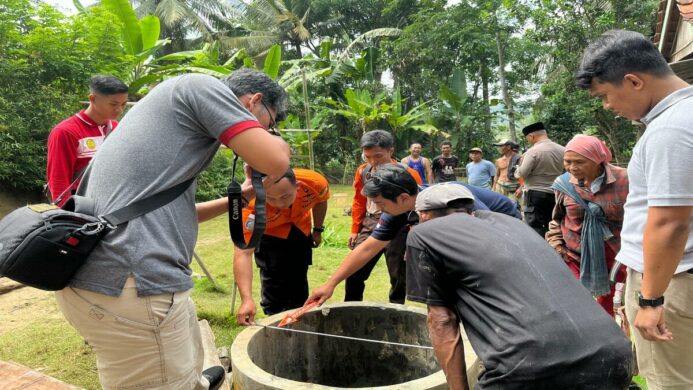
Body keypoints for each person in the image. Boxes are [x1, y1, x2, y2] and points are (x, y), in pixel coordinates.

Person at [54, 69, 290, 390]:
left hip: (108, 282)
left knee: (179, 373)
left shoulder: (171, 129)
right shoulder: (199, 86)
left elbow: (177, 214)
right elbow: (276, 161)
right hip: (134, 285)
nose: (266, 130)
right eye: (270, 122)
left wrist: (243, 195)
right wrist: (275, 143)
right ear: (255, 101)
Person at [406, 184, 633, 389]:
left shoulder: (424, 233)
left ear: (424, 215)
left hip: (531, 366)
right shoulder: (512, 223)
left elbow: (442, 320)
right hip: (613, 352)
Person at [578, 29, 693, 389]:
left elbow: (670, 224)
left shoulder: (669, 130)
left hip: (672, 282)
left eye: (606, 95)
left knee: (670, 381)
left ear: (633, 81)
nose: (607, 106)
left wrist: (651, 299)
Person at [307, 164, 524, 309]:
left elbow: (487, 234)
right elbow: (368, 247)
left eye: (381, 204)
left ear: (402, 197)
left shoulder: (451, 199)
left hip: (505, 225)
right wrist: (331, 283)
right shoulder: (399, 209)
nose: (379, 210)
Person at [221, 168, 329, 324]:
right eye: (270, 198)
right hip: (269, 234)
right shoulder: (248, 205)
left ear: (297, 186)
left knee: (299, 274)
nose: (280, 204)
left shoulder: (314, 182)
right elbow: (243, 253)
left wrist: (317, 230)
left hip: (300, 229)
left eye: (285, 196)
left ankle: (299, 314)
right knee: (274, 280)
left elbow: (321, 200)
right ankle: (275, 317)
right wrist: (246, 299)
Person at [546, 135, 628, 317]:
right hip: (575, 254)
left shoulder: (624, 181)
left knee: (612, 307)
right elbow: (558, 219)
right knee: (576, 304)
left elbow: (640, 219)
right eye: (568, 162)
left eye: (579, 162)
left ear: (598, 160)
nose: (572, 168)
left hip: (616, 256)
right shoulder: (564, 184)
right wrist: (555, 243)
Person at [346, 130, 422, 304]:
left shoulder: (408, 173)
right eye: (368, 157)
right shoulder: (363, 171)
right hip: (371, 221)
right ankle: (350, 309)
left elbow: (417, 206)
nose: (373, 161)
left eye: (378, 156)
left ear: (391, 151)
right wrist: (355, 229)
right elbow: (358, 200)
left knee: (399, 276)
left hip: (401, 224)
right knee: (354, 271)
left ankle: (396, 314)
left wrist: (413, 232)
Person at [46, 75, 129, 206]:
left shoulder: (116, 128)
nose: (119, 109)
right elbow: (58, 180)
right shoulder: (66, 132)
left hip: (109, 203)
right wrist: (66, 216)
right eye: (113, 104)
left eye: (123, 104)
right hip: (81, 205)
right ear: (92, 99)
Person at [514, 122, 565, 236]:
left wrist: (517, 169)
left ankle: (539, 252)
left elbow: (522, 173)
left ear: (531, 136)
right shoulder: (563, 149)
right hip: (556, 193)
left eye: (527, 138)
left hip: (535, 195)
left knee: (535, 228)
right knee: (553, 225)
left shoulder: (533, 151)